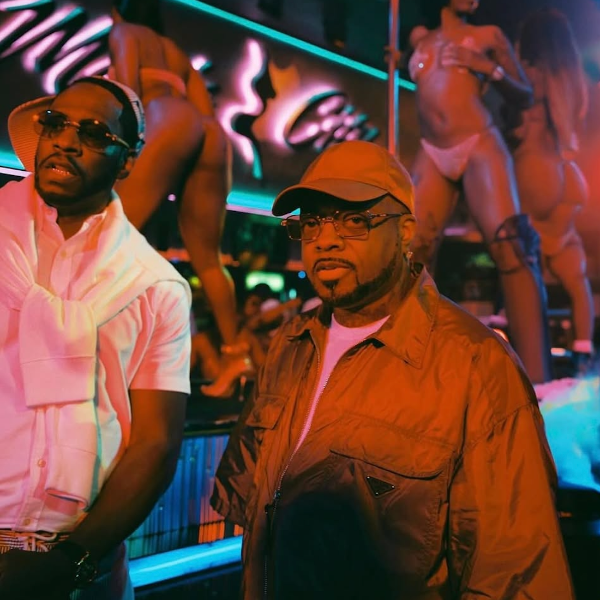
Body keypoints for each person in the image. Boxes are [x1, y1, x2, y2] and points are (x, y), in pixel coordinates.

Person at [211, 140, 575, 599]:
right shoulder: (290, 343)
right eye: (312, 222)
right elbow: (254, 513)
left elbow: (516, 573)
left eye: (354, 220)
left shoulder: (475, 364)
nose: (326, 239)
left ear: (404, 232)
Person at [0, 76, 191, 599]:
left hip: (83, 565)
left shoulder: (154, 285)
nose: (66, 140)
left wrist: (71, 563)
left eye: (92, 132)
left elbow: (156, 442)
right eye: (56, 123)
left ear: (127, 160)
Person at [109, 0, 252, 397]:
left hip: (166, 118)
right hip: (209, 132)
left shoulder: (124, 33)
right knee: (209, 260)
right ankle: (236, 355)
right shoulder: (176, 52)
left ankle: (120, 353)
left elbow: (127, 94)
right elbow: (203, 112)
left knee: (110, 234)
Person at [407, 0, 553, 384]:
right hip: (431, 148)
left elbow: (524, 93)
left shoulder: (489, 36)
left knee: (511, 248)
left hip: (478, 142)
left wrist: (488, 69)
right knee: (410, 254)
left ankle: (539, 382)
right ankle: (408, 372)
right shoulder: (418, 38)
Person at [509, 9, 594, 373]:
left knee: (522, 270)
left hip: (535, 172)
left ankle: (529, 355)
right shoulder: (572, 80)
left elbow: (513, 127)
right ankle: (583, 350)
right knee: (575, 278)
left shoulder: (528, 76)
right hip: (568, 177)